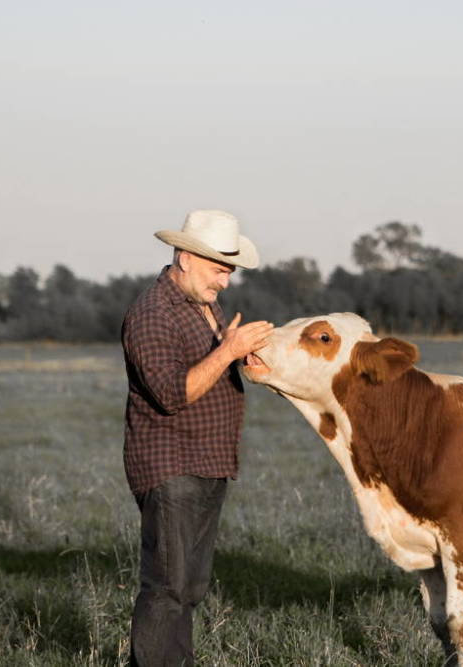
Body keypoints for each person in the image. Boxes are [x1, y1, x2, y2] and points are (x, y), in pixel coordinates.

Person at [121, 210, 273, 666]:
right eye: (218, 270)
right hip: (171, 465)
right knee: (167, 586)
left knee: (189, 586)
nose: (225, 282)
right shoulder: (151, 314)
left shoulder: (202, 304)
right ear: (185, 258)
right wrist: (229, 349)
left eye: (229, 272)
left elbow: (207, 367)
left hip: (209, 461)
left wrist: (244, 362)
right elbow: (172, 393)